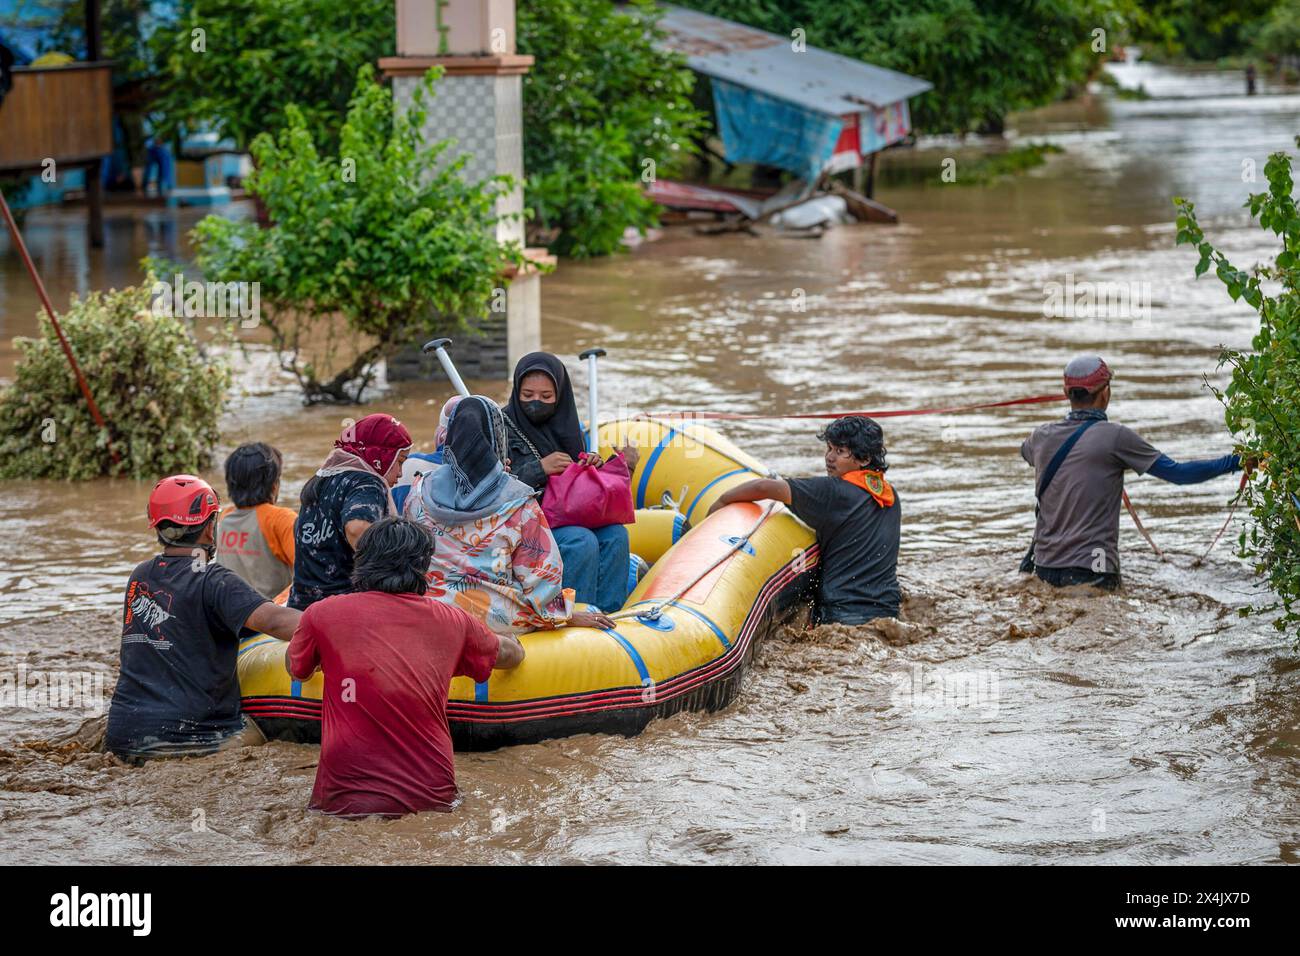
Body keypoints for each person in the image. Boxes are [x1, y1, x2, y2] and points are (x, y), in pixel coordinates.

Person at [286, 516, 524, 817]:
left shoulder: (320, 615)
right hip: (432, 798)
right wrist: (517, 637)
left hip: (341, 803)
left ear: (362, 561)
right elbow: (509, 655)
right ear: (424, 567)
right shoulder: (454, 621)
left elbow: (296, 669)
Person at [106, 475, 301, 763]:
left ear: (158, 527)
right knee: (263, 739)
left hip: (122, 734)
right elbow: (276, 622)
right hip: (188, 738)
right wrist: (337, 622)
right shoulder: (214, 579)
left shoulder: (140, 576)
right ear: (210, 529)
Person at [1020, 356, 1244, 590]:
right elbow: (1179, 474)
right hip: (1094, 564)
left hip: (1045, 565)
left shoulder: (1040, 436)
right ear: (1105, 392)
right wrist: (1236, 461)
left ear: (1067, 393)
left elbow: (1026, 452)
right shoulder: (1116, 437)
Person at [405, 394, 615, 634]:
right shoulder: (518, 501)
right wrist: (567, 615)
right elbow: (542, 583)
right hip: (492, 618)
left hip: (430, 610)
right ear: (498, 439)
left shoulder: (419, 490)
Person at [708, 416, 901, 625]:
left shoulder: (834, 492)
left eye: (840, 452)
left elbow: (764, 488)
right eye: (829, 448)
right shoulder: (889, 495)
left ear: (864, 459)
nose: (830, 457)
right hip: (887, 610)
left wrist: (720, 502)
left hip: (841, 614)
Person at [502, 351, 638, 612]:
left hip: (570, 512)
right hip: (527, 521)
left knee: (616, 535)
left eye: (546, 397)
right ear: (517, 391)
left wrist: (591, 464)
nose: (536, 403)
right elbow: (496, 485)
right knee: (581, 540)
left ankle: (610, 613)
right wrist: (540, 468)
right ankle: (576, 614)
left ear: (559, 396)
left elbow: (577, 476)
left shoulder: (567, 426)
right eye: (527, 395)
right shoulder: (502, 425)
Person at [289, 414, 412, 610]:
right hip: (342, 608)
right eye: (400, 461)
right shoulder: (367, 482)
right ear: (382, 456)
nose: (400, 473)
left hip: (301, 605)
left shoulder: (319, 480)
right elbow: (357, 528)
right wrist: (392, 575)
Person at [215, 442, 296, 599]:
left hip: (227, 615)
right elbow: (309, 576)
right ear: (274, 485)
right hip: (270, 617)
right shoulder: (280, 520)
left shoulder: (224, 518)